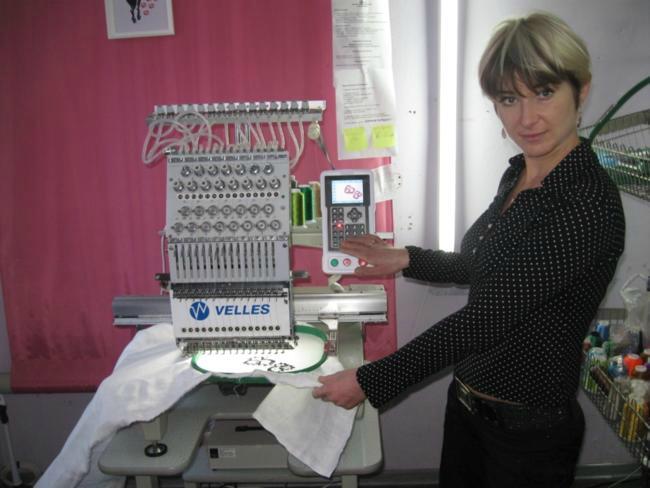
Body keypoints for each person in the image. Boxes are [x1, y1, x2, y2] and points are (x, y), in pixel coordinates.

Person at [312, 11, 626, 488]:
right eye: (508, 99)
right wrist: (405, 257)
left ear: (580, 91)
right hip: (467, 406)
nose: (526, 118)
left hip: (526, 436)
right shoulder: (520, 173)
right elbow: (486, 265)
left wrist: (370, 380)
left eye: (544, 92)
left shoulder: (585, 203)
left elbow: (487, 317)